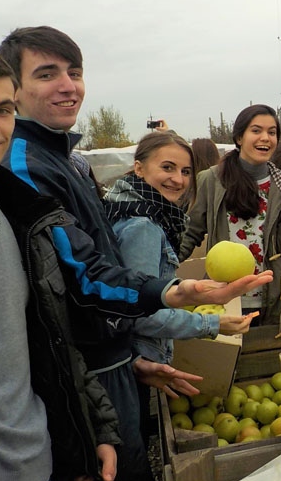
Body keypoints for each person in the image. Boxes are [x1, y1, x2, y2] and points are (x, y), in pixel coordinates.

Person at [0, 26, 272, 481]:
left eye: (75, 72)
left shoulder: (69, 161)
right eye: (47, 74)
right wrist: (178, 296)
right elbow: (82, 275)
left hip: (109, 360)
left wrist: (130, 355)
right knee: (120, 476)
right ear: (15, 89)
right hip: (85, 375)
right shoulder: (27, 165)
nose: (68, 85)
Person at [0, 42, 118, 481]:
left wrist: (90, 429)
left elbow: (49, 338)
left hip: (41, 466)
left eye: (2, 109)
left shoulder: (18, 218)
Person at [103, 131, 255, 445]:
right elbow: (142, 313)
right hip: (141, 357)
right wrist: (213, 323)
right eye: (168, 168)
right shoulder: (142, 225)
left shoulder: (138, 211)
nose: (178, 179)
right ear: (140, 168)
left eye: (185, 171)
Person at [180, 104, 281, 325]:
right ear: (239, 137)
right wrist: (161, 273)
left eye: (272, 132)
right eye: (256, 130)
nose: (265, 138)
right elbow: (189, 234)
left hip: (276, 298)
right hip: (222, 297)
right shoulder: (211, 180)